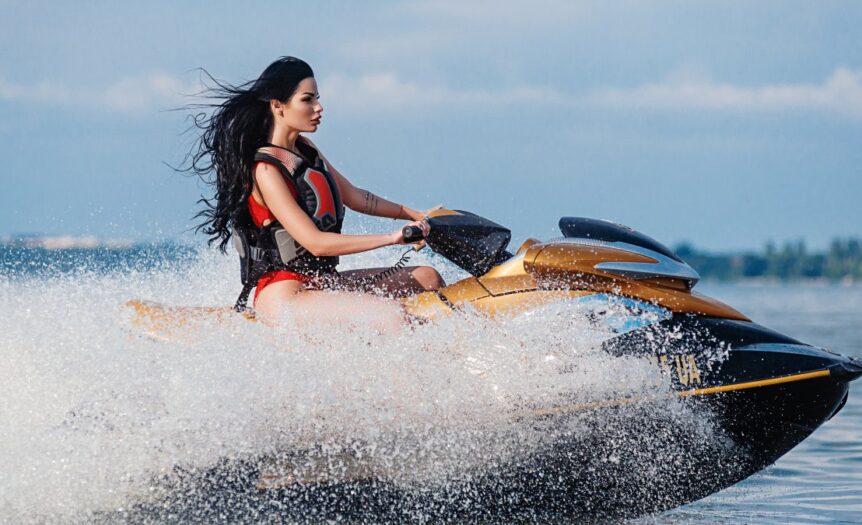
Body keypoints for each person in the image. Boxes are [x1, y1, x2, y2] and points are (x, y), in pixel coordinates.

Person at [187, 57, 445, 329]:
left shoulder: (306, 150)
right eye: (307, 99)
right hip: (285, 297)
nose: (318, 107)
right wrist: (393, 238)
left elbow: (355, 197)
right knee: (391, 316)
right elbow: (316, 243)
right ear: (278, 105)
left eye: (317, 99)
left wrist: (417, 215)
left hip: (323, 282)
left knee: (428, 277)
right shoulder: (266, 171)